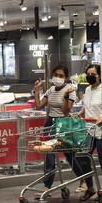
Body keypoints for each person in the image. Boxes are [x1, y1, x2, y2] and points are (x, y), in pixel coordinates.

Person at [33, 65, 77, 193]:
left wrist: (65, 96)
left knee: (70, 155)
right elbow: (38, 106)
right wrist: (37, 90)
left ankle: (83, 179)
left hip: (64, 124)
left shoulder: (70, 90)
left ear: (66, 77)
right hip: (50, 125)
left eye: (61, 76)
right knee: (49, 156)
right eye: (56, 75)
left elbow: (66, 111)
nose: (58, 77)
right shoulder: (51, 90)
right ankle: (47, 187)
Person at [66, 64, 102, 202]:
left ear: (100, 75)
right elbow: (86, 106)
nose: (90, 76)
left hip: (101, 131)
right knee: (81, 157)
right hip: (88, 130)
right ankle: (91, 187)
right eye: (88, 74)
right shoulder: (87, 89)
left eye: (93, 74)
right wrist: (78, 114)